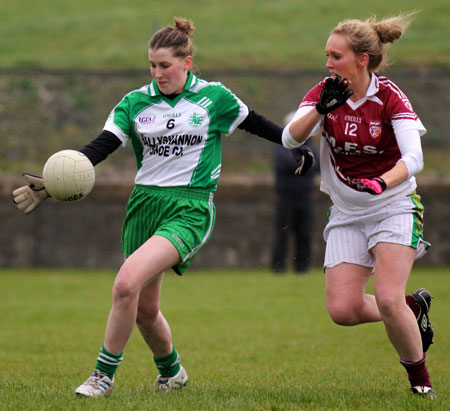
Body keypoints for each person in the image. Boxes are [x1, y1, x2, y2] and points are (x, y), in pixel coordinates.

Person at [12, 17, 314, 397]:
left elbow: (260, 125)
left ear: (187, 63)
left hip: (189, 208)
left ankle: (101, 377)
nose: (158, 73)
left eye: (165, 66)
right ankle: (172, 373)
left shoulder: (214, 98)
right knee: (143, 309)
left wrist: (296, 146)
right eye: (152, 66)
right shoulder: (135, 102)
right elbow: (101, 145)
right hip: (144, 206)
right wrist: (56, 182)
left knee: (125, 285)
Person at [282, 13, 436, 398]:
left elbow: (413, 158)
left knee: (385, 296)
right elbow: (289, 138)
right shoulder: (325, 91)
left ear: (362, 59)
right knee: (343, 311)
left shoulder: (389, 97)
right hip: (348, 213)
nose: (329, 64)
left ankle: (421, 385)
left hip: (394, 206)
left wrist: (381, 182)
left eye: (336, 57)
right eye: (327, 56)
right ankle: (410, 309)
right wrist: (320, 109)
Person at [271, 112, 319, 274]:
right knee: (283, 233)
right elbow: (289, 163)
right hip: (286, 197)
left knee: (304, 233)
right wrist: (307, 162)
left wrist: (307, 162)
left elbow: (316, 165)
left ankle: (302, 267)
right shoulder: (283, 145)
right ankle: (278, 267)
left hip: (305, 196)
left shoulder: (309, 145)